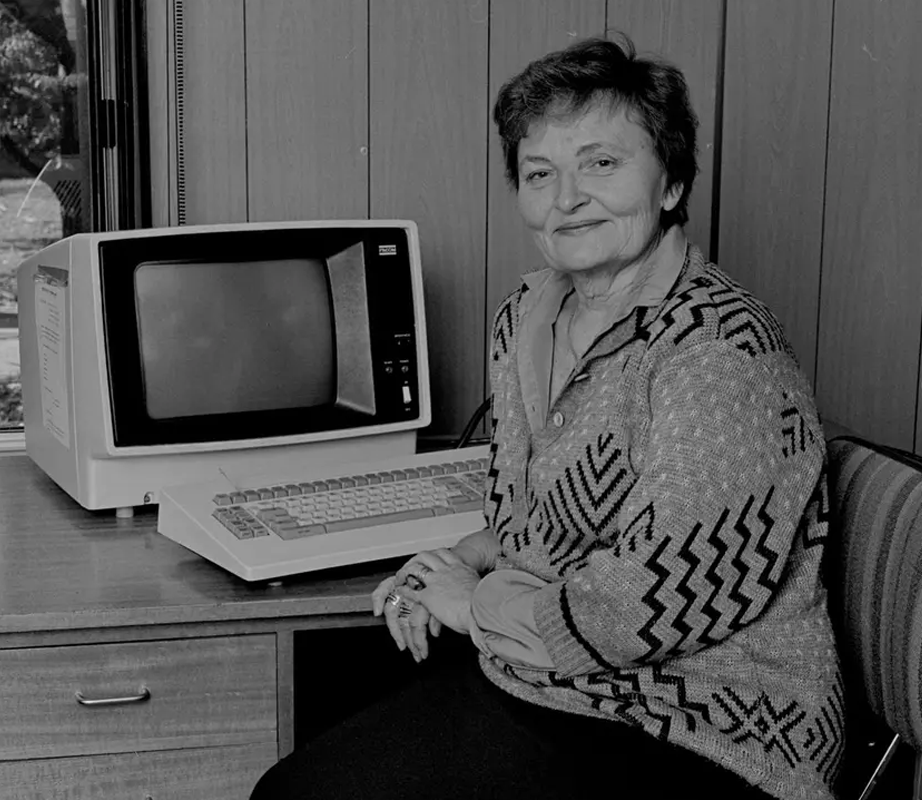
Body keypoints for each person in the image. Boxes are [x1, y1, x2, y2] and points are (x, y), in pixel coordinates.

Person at [251, 34, 843, 800]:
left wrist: (475, 604)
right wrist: (459, 557)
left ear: (669, 184)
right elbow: (543, 525)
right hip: (554, 678)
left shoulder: (720, 356)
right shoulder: (528, 314)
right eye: (540, 174)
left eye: (601, 164)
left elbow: (652, 603)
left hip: (703, 723)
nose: (566, 199)